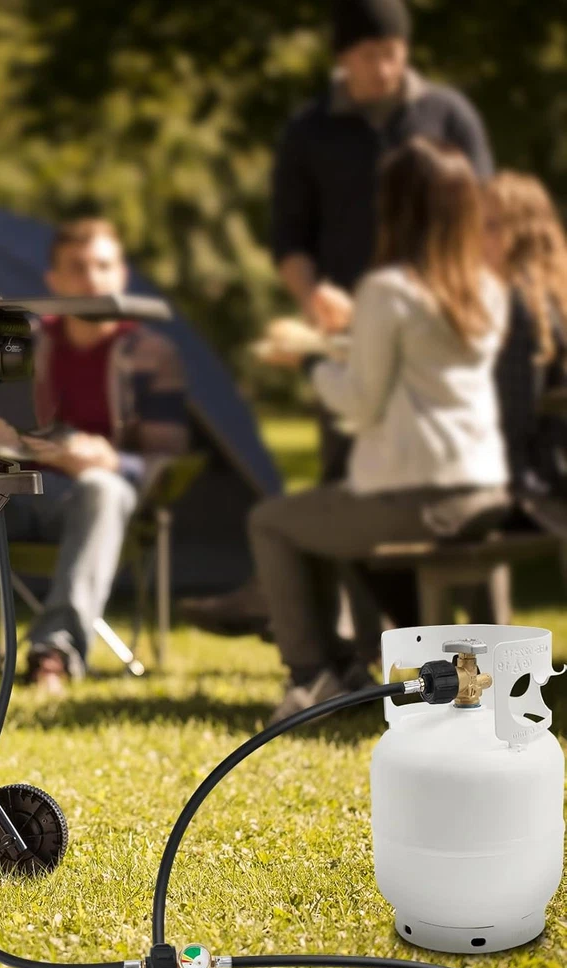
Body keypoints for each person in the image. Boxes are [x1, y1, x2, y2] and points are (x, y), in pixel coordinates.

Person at [182, 0, 496, 637]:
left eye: (394, 52)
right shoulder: (311, 130)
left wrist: (316, 360)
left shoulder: (446, 114)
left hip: (434, 318)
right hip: (348, 322)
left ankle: (320, 631)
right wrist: (316, 304)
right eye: (370, 53)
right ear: (343, 56)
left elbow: (480, 213)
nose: (385, 66)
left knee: (373, 477)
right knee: (347, 471)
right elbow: (289, 236)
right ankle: (355, 629)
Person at [251, 137, 510, 724]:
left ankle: (312, 675)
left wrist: (311, 362)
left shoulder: (389, 289)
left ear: (394, 208)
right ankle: (344, 667)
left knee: (272, 521)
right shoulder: (485, 290)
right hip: (482, 489)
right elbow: (416, 374)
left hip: (416, 499)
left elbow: (362, 405)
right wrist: (351, 339)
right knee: (328, 514)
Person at [0, 217, 189, 691]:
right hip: (11, 495)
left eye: (103, 266)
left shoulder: (152, 353)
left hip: (94, 505)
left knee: (103, 488)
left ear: (121, 275)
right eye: (78, 268)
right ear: (54, 281)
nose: (92, 280)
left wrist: (114, 463)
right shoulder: (19, 344)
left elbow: (167, 459)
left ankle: (54, 654)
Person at [488, 172, 567, 528]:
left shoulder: (520, 305)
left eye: (490, 226)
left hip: (533, 492)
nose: (472, 238)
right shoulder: (552, 293)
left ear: (521, 234)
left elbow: (514, 421)